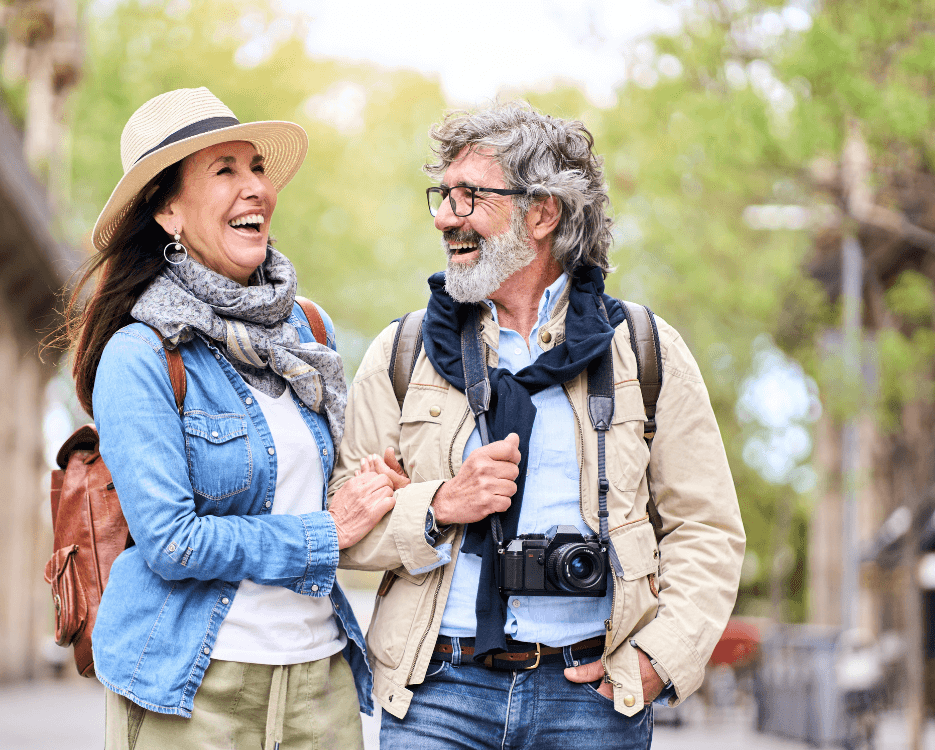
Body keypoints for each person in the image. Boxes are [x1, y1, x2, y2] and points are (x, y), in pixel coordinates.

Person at [330, 101, 746, 749]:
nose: (445, 216)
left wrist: (658, 659)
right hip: (437, 690)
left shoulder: (641, 348)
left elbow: (707, 528)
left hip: (593, 697)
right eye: (443, 196)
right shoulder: (403, 351)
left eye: (469, 197)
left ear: (542, 213)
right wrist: (441, 504)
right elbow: (344, 528)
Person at [62, 87, 393, 750]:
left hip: (320, 685)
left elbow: (328, 488)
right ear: (168, 210)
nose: (255, 188)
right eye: (224, 170)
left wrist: (386, 486)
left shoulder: (310, 330)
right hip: (193, 691)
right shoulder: (141, 354)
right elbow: (173, 541)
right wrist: (323, 534)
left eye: (257, 168)